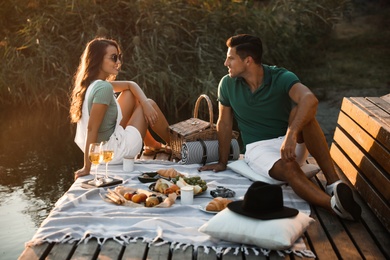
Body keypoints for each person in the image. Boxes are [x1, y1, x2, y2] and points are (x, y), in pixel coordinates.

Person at [199, 34, 361, 221]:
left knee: (305, 111)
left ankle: (333, 182)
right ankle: (333, 205)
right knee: (289, 166)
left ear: (248, 60)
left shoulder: (281, 77)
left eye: (231, 58)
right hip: (259, 149)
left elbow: (310, 99)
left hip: (289, 144)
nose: (225, 62)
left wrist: (290, 135)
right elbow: (225, 123)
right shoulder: (227, 84)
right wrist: (222, 161)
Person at [70, 38, 171, 180]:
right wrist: (87, 166)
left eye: (119, 58)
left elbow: (130, 85)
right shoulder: (103, 88)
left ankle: (151, 144)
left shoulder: (93, 84)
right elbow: (92, 129)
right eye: (113, 58)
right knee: (150, 103)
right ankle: (177, 146)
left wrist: (144, 104)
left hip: (107, 147)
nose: (118, 62)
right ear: (98, 59)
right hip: (115, 152)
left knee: (131, 95)